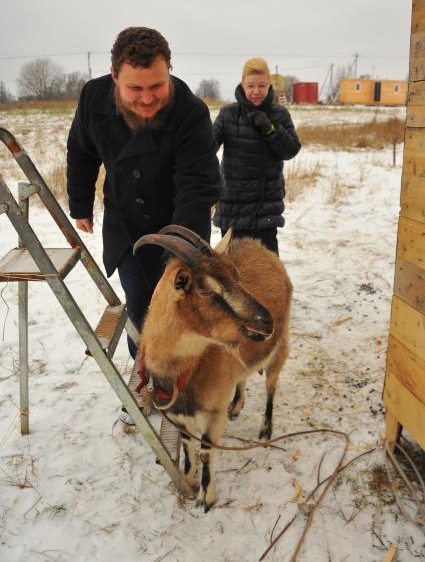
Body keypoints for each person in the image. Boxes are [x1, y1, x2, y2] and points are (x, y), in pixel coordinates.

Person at [67, 26, 221, 368]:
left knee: (182, 307)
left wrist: (181, 256)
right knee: (140, 307)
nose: (148, 98)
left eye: (157, 85)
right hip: (126, 223)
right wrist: (80, 203)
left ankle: (186, 376)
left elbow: (196, 187)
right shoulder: (93, 98)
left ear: (169, 70)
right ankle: (147, 376)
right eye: (135, 88)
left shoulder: (191, 113)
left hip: (177, 224)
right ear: (113, 76)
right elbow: (81, 149)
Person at [213, 57, 301, 255]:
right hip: (232, 208)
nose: (256, 91)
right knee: (231, 275)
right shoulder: (228, 114)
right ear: (242, 84)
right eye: (251, 85)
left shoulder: (279, 114)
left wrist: (270, 129)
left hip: (265, 211)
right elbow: (207, 146)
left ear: (269, 84)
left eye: (261, 85)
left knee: (268, 275)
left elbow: (290, 150)